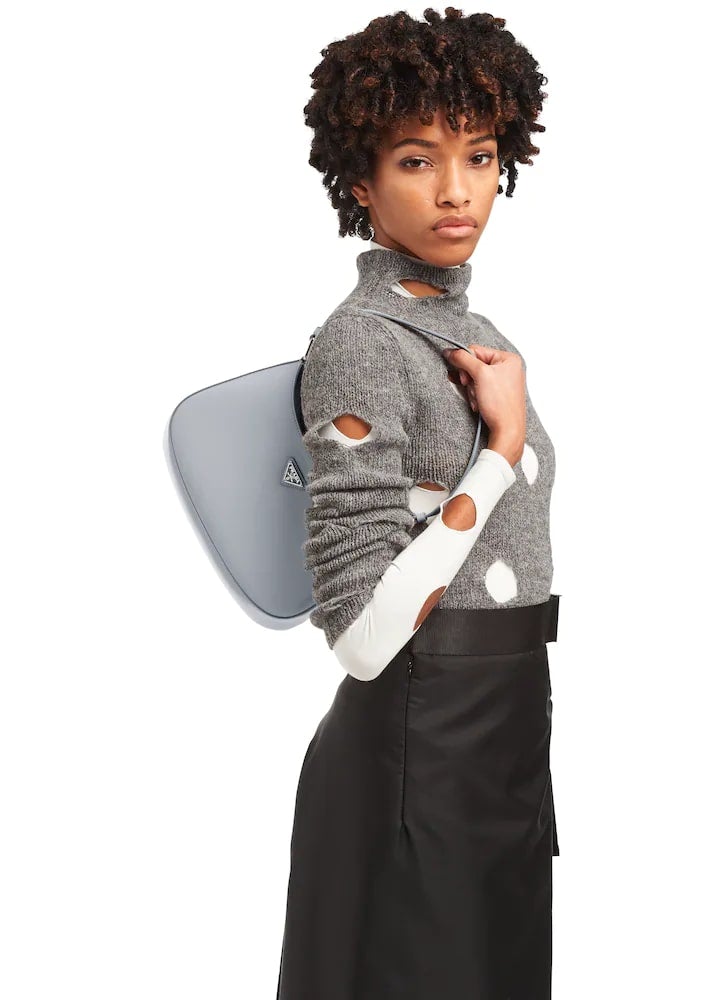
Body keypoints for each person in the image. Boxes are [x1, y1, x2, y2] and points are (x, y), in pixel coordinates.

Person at [276, 8, 559, 999]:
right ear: (360, 181)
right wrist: (501, 451)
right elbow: (359, 637)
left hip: (507, 737)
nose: (455, 190)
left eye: (478, 156)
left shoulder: (474, 330)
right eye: (415, 159)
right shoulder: (361, 341)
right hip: (417, 748)